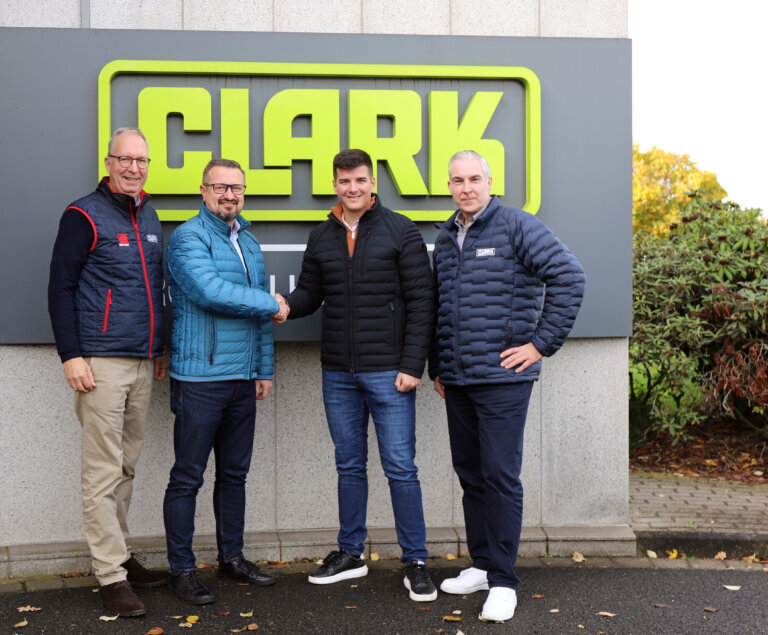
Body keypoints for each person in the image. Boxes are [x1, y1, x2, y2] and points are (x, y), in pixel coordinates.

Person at [272, 148, 437, 602]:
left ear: (372, 183)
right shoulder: (322, 235)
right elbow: (310, 293)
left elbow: (423, 302)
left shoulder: (400, 229)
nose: (353, 188)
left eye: (360, 180)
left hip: (390, 372)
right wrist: (286, 306)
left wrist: (412, 365)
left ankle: (416, 560)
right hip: (339, 374)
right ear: (335, 185)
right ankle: (351, 553)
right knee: (349, 465)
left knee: (400, 467)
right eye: (345, 181)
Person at [430, 150, 585, 622]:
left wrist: (539, 346)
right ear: (449, 186)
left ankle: (503, 582)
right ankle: (482, 565)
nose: (466, 188)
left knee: (499, 475)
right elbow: (441, 306)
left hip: (502, 379)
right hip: (457, 378)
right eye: (457, 180)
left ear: (489, 182)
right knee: (471, 474)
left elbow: (569, 276)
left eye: (474, 179)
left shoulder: (517, 225)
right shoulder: (445, 237)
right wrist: (439, 365)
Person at [48, 127, 169, 617]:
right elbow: (60, 287)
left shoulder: (150, 216)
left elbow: (154, 288)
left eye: (141, 160)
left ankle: (120, 555)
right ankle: (110, 575)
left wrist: (159, 348)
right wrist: (71, 355)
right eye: (125, 159)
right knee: (102, 472)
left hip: (142, 360)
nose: (134, 168)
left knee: (126, 466)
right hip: (99, 361)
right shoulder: (82, 215)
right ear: (109, 162)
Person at [162, 158, 281, 605]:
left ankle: (232, 558)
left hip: (241, 379)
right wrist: (272, 303)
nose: (230, 195)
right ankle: (182, 570)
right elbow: (211, 292)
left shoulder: (247, 240)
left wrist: (263, 368)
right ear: (204, 190)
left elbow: (258, 313)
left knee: (234, 475)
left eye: (237, 188)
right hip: (200, 379)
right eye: (221, 187)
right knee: (187, 477)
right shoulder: (188, 238)